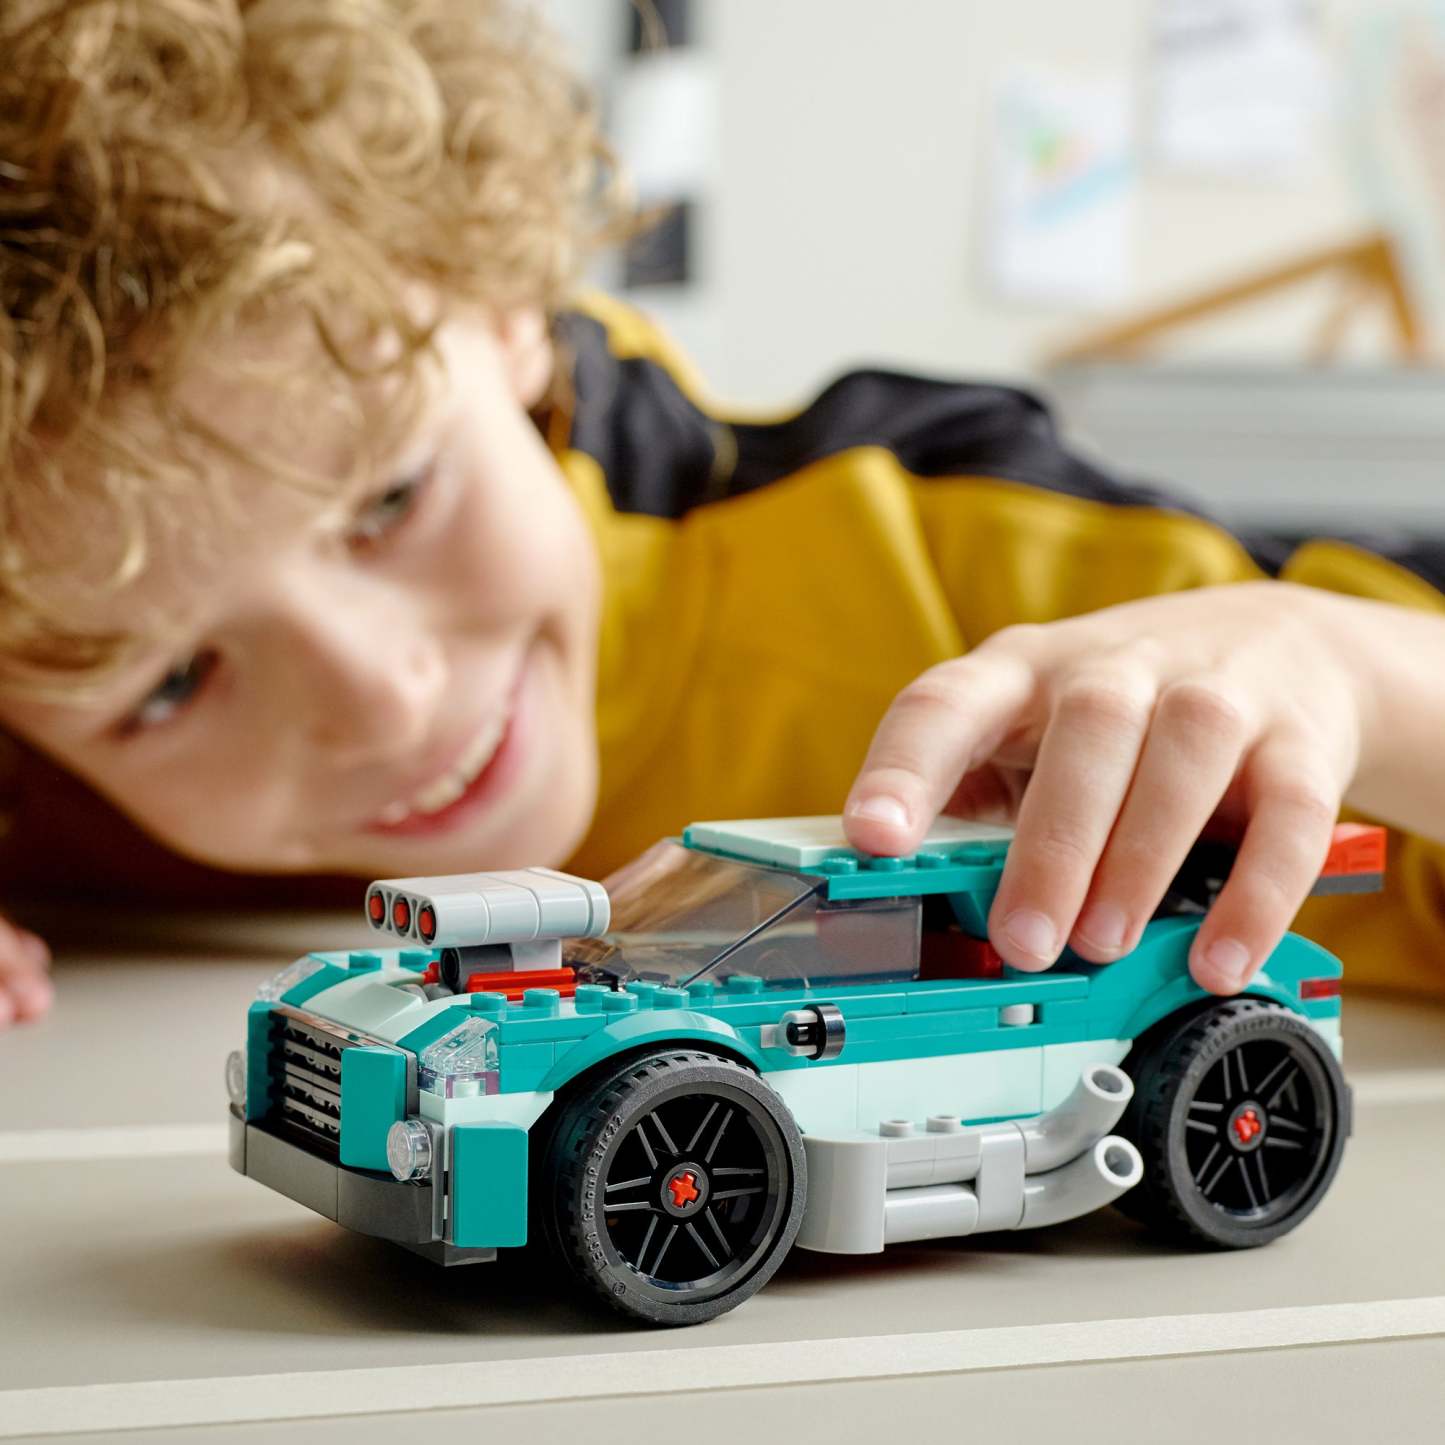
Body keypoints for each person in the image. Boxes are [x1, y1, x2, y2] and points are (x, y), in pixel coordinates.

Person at [1, 0, 1442, 1034]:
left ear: (504, 306)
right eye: (168, 682)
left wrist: (1351, 672)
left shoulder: (955, 561)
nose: (381, 701)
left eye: (389, 498)